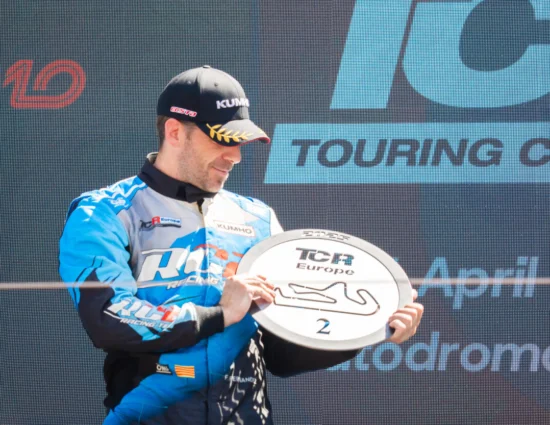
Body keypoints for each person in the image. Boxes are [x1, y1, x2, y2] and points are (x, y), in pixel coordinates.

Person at [59, 65, 423, 425]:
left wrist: (366, 330)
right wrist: (220, 314)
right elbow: (108, 318)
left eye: (239, 144)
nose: (234, 157)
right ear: (174, 131)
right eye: (222, 140)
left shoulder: (257, 218)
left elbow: (280, 355)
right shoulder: (104, 212)